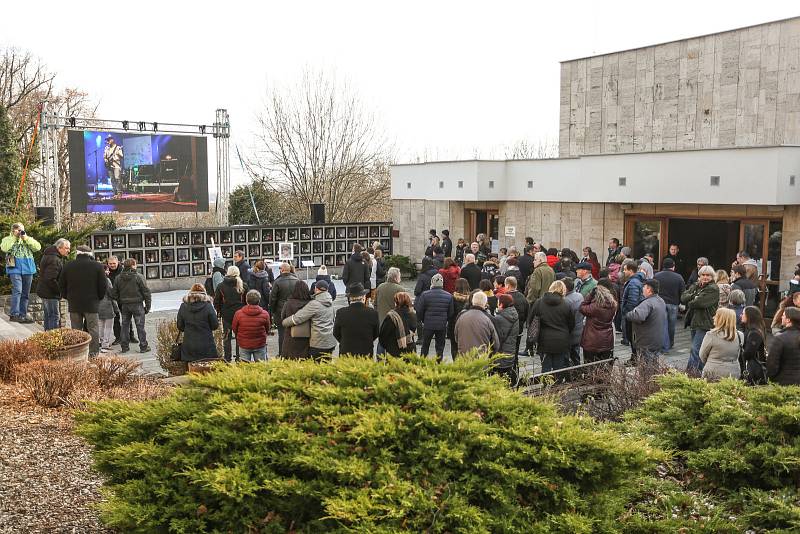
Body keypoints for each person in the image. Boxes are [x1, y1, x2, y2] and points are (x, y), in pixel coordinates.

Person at [58, 245, 107, 357]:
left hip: (74, 303)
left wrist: (67, 296)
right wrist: (98, 298)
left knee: (76, 330)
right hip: (91, 303)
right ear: (90, 254)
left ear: (77, 253)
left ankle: (77, 353)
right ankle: (93, 353)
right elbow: (103, 286)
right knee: (93, 329)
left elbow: (61, 284)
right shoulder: (97, 266)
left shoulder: (68, 265)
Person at [283, 280, 337, 360]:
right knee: (326, 368)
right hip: (330, 342)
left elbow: (298, 318)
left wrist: (284, 322)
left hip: (318, 343)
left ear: (316, 289)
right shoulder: (330, 303)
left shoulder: (314, 304)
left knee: (316, 368)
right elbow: (333, 319)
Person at [529, 280, 574, 372]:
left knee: (545, 367)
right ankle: (558, 385)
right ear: (563, 290)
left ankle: (546, 386)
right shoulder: (566, 304)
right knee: (559, 368)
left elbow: (531, 320)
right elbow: (571, 323)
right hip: (562, 339)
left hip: (544, 339)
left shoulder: (539, 302)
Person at [681, 265, 720, 373]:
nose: (705, 277)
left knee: (696, 349)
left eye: (708, 275)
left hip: (705, 323)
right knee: (697, 350)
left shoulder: (713, 288)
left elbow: (698, 303)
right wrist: (695, 295)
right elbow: (683, 297)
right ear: (699, 276)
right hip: (694, 322)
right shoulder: (696, 286)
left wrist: (693, 298)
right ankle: (697, 372)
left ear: (712, 276)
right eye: (703, 275)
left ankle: (692, 373)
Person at [1, 222, 41, 323]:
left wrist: (26, 238)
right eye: (18, 230)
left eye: (21, 230)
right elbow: (5, 248)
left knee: (25, 293)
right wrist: (15, 238)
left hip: (28, 268)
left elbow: (38, 247)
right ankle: (14, 314)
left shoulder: (27, 238)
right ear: (13, 230)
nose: (20, 232)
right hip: (14, 267)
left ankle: (23, 315)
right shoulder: (7, 239)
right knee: (18, 290)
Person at [110, 258, 152, 354]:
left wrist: (120, 300)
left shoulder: (118, 278)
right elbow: (146, 292)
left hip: (125, 305)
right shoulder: (138, 276)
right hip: (137, 304)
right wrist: (148, 307)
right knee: (140, 326)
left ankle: (124, 347)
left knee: (125, 325)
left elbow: (114, 293)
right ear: (133, 265)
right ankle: (143, 346)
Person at [625, 279, 667, 362]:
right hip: (656, 341)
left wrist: (628, 314)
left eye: (644, 287)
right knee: (654, 368)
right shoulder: (660, 300)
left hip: (646, 343)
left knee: (646, 370)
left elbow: (638, 316)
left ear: (649, 289)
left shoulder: (647, 303)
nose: (642, 289)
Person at [415, 273, 454, 361]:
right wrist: (445, 319)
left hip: (428, 324)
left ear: (432, 282)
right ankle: (439, 363)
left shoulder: (425, 295)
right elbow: (451, 313)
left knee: (425, 345)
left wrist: (423, 320)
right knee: (440, 347)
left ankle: (422, 362)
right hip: (442, 325)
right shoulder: (449, 296)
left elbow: (419, 310)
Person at [334, 283, 380, 357]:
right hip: (366, 353)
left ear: (350, 298)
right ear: (363, 297)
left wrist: (344, 341)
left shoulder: (341, 313)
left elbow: (336, 333)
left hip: (346, 352)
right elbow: (376, 333)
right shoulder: (372, 313)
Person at [176, 284, 219, 362]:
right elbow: (215, 325)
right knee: (207, 371)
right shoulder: (208, 306)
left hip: (189, 345)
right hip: (206, 344)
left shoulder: (183, 306)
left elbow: (180, 326)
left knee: (190, 370)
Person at [214, 265, 248, 361]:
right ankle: (239, 358)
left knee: (227, 338)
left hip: (226, 315)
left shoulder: (221, 286)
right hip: (241, 315)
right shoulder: (243, 285)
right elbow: (247, 301)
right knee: (239, 337)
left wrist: (220, 311)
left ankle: (227, 358)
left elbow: (216, 301)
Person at [699, 308, 742, 380]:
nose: (713, 317)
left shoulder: (711, 335)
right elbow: (737, 355)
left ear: (721, 319)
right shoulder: (740, 335)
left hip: (713, 371)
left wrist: (711, 361)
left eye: (716, 316)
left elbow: (702, 355)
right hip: (733, 372)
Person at [36, 238, 70, 330]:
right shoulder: (54, 259)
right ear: (59, 248)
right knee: (54, 316)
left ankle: (47, 338)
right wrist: (59, 291)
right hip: (50, 293)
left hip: (45, 291)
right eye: (66, 248)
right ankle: (53, 341)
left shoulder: (50, 255)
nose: (68, 251)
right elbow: (50, 279)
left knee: (48, 316)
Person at [454, 291, 500, 356]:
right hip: (481, 359)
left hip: (463, 358)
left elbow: (456, 337)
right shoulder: (487, 319)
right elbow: (495, 344)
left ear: (472, 301)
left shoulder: (461, 317)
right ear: (485, 303)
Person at [580, 285, 617, 363]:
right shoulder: (613, 305)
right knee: (605, 367)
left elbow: (582, 307)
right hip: (607, 339)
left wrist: (590, 295)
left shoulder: (594, 307)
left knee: (590, 367)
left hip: (592, 341)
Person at [654, 258, 685, 349]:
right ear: (673, 266)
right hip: (673, 304)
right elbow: (683, 291)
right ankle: (670, 343)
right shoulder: (679, 277)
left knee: (661, 324)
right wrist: (682, 303)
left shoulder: (656, 276)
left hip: (660, 303)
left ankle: (662, 343)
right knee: (671, 325)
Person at [232, 290, 272, 362]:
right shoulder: (265, 314)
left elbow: (235, 329)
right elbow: (267, 329)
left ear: (246, 300)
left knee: (244, 368)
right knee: (261, 367)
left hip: (244, 343)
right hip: (260, 343)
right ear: (259, 301)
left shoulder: (238, 314)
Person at [269, 263, 299, 354]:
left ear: (281, 270)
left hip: (280, 311)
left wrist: (272, 310)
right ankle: (293, 352)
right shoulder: (297, 280)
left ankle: (282, 353)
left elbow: (273, 298)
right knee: (294, 332)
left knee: (282, 332)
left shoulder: (277, 282)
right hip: (294, 309)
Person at [765, 307, 800, 385]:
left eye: (783, 315)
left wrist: (771, 379)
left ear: (788, 320)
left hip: (783, 383)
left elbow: (772, 365)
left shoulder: (780, 338)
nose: (781, 317)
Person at [375, 268, 407, 352]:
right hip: (395, 322)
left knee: (381, 343)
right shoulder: (400, 289)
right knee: (394, 345)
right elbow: (404, 308)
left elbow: (375, 304)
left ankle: (380, 361)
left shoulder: (380, 287)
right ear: (396, 278)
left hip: (382, 320)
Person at [106, 255, 136, 344]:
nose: (112, 265)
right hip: (112, 298)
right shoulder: (104, 271)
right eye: (110, 264)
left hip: (123, 297)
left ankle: (131, 336)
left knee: (127, 318)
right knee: (116, 318)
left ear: (118, 262)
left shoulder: (123, 270)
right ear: (108, 264)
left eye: (114, 263)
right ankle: (118, 338)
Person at [378, 292, 418, 357]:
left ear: (396, 302)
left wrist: (387, 346)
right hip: (410, 350)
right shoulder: (413, 315)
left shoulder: (391, 316)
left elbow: (383, 335)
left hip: (394, 350)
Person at [280, 282, 313, 359]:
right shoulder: (310, 303)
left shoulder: (288, 303)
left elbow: (283, 317)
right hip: (307, 337)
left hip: (290, 337)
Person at [620, 261, 645, 360]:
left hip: (632, 315)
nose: (624, 272)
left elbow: (632, 301)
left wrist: (627, 313)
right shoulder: (634, 281)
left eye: (625, 270)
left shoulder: (633, 282)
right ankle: (634, 357)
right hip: (633, 314)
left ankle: (635, 358)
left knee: (632, 337)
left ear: (631, 270)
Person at [739, 306, 767, 385]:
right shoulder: (754, 330)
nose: (741, 315)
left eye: (743, 314)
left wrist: (739, 354)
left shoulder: (754, 333)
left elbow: (749, 353)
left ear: (749, 316)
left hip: (752, 368)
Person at [562, 277, 584, 367]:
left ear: (565, 288)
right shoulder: (579, 296)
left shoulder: (566, 301)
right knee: (576, 355)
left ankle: (570, 376)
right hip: (579, 329)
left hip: (570, 332)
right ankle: (577, 374)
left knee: (566, 358)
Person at [97, 270, 118, 353]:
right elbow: (111, 293)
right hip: (107, 305)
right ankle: (105, 344)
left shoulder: (94, 280)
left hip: (97, 305)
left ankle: (102, 342)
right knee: (108, 326)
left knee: (100, 326)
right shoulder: (107, 280)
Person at [449, 278, 472, 350]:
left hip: (454, 324)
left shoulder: (452, 298)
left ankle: (455, 360)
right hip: (468, 324)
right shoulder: (471, 298)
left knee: (454, 346)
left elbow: (450, 312)